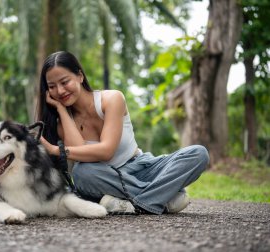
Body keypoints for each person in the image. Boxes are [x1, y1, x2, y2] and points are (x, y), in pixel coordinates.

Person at [36, 51, 209, 215]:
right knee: (82, 173)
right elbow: (80, 152)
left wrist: (55, 150)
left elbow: (106, 151)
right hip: (104, 178)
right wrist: (61, 109)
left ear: (80, 76)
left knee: (198, 154)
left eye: (65, 82)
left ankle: (130, 204)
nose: (60, 91)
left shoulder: (112, 99)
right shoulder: (62, 123)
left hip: (141, 168)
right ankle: (161, 198)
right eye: (52, 86)